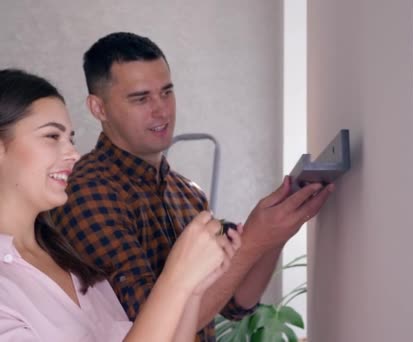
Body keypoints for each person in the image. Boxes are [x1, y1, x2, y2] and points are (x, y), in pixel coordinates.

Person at [49, 32, 334, 341]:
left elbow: (236, 303)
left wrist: (274, 236)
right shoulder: (86, 191)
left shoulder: (185, 192)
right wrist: (253, 240)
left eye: (166, 92)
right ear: (98, 108)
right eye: (141, 98)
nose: (161, 110)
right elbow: (156, 325)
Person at [0, 69, 241, 341]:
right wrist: (177, 278)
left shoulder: (75, 267)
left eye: (71, 138)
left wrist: (193, 290)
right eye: (52, 137)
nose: (73, 154)